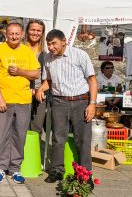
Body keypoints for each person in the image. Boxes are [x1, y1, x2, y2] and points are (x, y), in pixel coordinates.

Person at [35, 29, 97, 183]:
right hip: (59, 102)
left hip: (80, 101)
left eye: (54, 43)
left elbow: (92, 80)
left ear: (64, 41)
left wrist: (92, 104)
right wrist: (40, 90)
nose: (51, 47)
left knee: (82, 139)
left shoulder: (80, 55)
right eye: (49, 44)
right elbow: (48, 81)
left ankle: (86, 174)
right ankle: (57, 170)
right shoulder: (48, 59)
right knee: (57, 138)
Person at [0, 22, 40, 184]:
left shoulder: (27, 51)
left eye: (17, 34)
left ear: (22, 34)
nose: (14, 36)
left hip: (23, 100)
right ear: (6, 34)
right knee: (1, 135)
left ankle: (15, 168)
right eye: (11, 33)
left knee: (19, 135)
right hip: (3, 100)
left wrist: (20, 72)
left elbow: (36, 73)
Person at [24, 19, 48, 138]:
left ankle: (33, 155)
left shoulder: (45, 53)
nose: (35, 33)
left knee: (37, 128)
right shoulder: (20, 49)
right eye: (33, 29)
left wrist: (40, 90)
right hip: (21, 92)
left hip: (39, 94)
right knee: (20, 127)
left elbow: (49, 77)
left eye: (39, 30)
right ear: (27, 31)